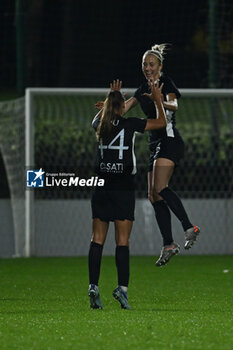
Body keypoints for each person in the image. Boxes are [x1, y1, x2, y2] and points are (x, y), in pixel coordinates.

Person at [113, 44, 200, 266]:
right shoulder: (142, 88)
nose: (147, 67)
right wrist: (109, 105)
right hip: (155, 145)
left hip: (169, 140)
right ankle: (169, 244)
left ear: (160, 66)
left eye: (151, 64)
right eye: (144, 64)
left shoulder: (165, 82)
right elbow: (124, 108)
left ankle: (189, 227)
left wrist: (157, 98)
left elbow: (175, 105)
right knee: (153, 195)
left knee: (160, 187)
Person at [88, 79, 167, 309]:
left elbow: (107, 115)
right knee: (122, 241)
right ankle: (122, 290)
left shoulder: (98, 124)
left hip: (101, 186)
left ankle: (93, 286)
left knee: (97, 240)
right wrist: (158, 100)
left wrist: (112, 100)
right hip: (123, 187)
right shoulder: (130, 124)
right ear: (122, 107)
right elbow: (161, 122)